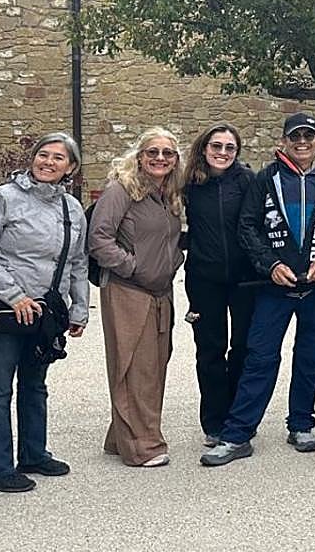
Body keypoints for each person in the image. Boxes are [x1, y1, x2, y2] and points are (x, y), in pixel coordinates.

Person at [201, 113, 315, 465]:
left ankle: (301, 423)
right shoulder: (266, 179)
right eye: (295, 136)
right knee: (260, 357)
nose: (302, 141)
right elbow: (248, 228)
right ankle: (238, 434)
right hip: (274, 285)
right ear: (285, 140)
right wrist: (270, 265)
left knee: (309, 355)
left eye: (309, 135)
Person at [0, 132, 88, 493]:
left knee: (35, 385)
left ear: (72, 167)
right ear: (32, 158)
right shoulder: (1, 199)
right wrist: (14, 295)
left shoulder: (72, 209)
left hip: (45, 315)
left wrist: (79, 307)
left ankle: (33, 453)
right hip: (1, 312)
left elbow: (77, 263)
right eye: (43, 155)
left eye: (58, 158)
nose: (48, 162)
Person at [89, 127, 186, 468]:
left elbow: (170, 240)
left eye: (167, 154)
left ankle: (120, 437)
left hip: (161, 292)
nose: (160, 159)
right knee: (134, 367)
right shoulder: (121, 191)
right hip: (128, 291)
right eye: (153, 152)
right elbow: (99, 239)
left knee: (155, 365)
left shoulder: (168, 195)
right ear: (140, 156)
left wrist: (174, 262)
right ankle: (143, 446)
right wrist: (132, 267)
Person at [181, 123, 256, 447]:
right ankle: (214, 421)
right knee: (210, 351)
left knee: (242, 349)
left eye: (229, 147)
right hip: (204, 278)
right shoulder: (188, 184)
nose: (223, 152)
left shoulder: (248, 181)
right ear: (204, 148)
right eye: (217, 146)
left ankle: (238, 419)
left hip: (245, 279)